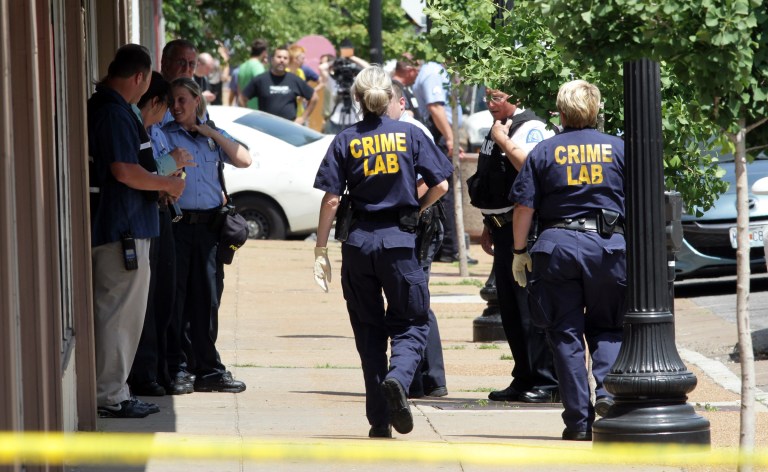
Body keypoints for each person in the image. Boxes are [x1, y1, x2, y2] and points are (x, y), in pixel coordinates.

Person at [312, 66, 452, 438]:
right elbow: (441, 184)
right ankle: (399, 379)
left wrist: (321, 248)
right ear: (389, 97)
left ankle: (379, 420)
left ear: (358, 99)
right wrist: (416, 210)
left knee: (368, 331)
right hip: (399, 243)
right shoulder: (410, 134)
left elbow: (330, 200)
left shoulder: (345, 139)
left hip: (358, 244)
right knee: (412, 322)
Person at [509, 79, 626, 441]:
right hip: (608, 247)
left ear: (560, 112)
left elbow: (524, 207)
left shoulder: (545, 151)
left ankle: (578, 422)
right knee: (608, 327)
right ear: (597, 110)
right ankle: (607, 396)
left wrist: (518, 252)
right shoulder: (620, 148)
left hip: (557, 246)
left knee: (565, 332)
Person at [88, 44, 185, 418]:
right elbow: (123, 171)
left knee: (122, 317)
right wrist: (166, 183)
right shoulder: (112, 113)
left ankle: (115, 390)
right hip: (121, 232)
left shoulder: (113, 109)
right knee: (118, 317)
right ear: (140, 77)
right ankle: (110, 396)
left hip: (123, 227)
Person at [468, 88, 559, 404]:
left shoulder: (530, 127)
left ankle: (547, 382)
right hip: (502, 228)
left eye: (497, 97)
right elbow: (491, 180)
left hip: (526, 230)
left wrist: (504, 140)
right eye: (487, 98)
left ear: (517, 96)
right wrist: (487, 224)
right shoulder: (499, 125)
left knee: (530, 310)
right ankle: (523, 377)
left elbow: (530, 168)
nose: (490, 104)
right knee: (510, 311)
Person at [163, 78, 252, 393]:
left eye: (182, 100)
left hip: (210, 230)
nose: (176, 106)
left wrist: (210, 133)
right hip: (178, 226)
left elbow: (244, 159)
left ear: (196, 100)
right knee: (176, 300)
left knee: (208, 299)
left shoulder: (212, 136)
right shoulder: (164, 134)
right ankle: (178, 368)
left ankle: (208, 369)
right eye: (172, 101)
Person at [128, 71, 196, 398]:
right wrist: (170, 169)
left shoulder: (154, 130)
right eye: (164, 106)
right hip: (142, 219)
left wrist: (170, 180)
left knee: (165, 300)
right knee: (147, 301)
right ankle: (144, 376)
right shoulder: (134, 127)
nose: (163, 116)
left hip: (163, 214)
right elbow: (141, 172)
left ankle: (161, 371)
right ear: (154, 101)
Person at [388, 80, 447, 398]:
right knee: (414, 300)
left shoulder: (409, 131)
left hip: (421, 227)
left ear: (401, 102)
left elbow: (433, 183)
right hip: (406, 227)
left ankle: (430, 377)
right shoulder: (392, 130)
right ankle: (422, 377)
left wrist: (412, 209)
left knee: (416, 301)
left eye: (387, 102)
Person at [413, 61, 475, 264]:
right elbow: (435, 107)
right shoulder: (433, 70)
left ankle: (442, 247)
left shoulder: (435, 70)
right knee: (445, 191)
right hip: (439, 134)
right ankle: (449, 248)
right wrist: (450, 138)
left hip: (442, 132)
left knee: (443, 191)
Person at [240, 45, 318, 124]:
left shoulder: (294, 80)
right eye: (279, 57)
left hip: (289, 129)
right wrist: (250, 119)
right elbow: (242, 98)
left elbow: (314, 97)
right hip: (265, 128)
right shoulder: (261, 79)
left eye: (285, 58)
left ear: (288, 61)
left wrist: (302, 118)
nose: (282, 60)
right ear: (272, 60)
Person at [238, 38, 269, 109]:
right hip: (256, 110)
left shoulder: (243, 66)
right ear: (264, 52)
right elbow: (263, 87)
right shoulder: (257, 66)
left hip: (244, 107)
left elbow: (239, 89)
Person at [390, 55, 421, 121]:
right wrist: (409, 113)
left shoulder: (405, 87)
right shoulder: (394, 88)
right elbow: (397, 113)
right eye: (417, 70)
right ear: (409, 71)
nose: (418, 74)